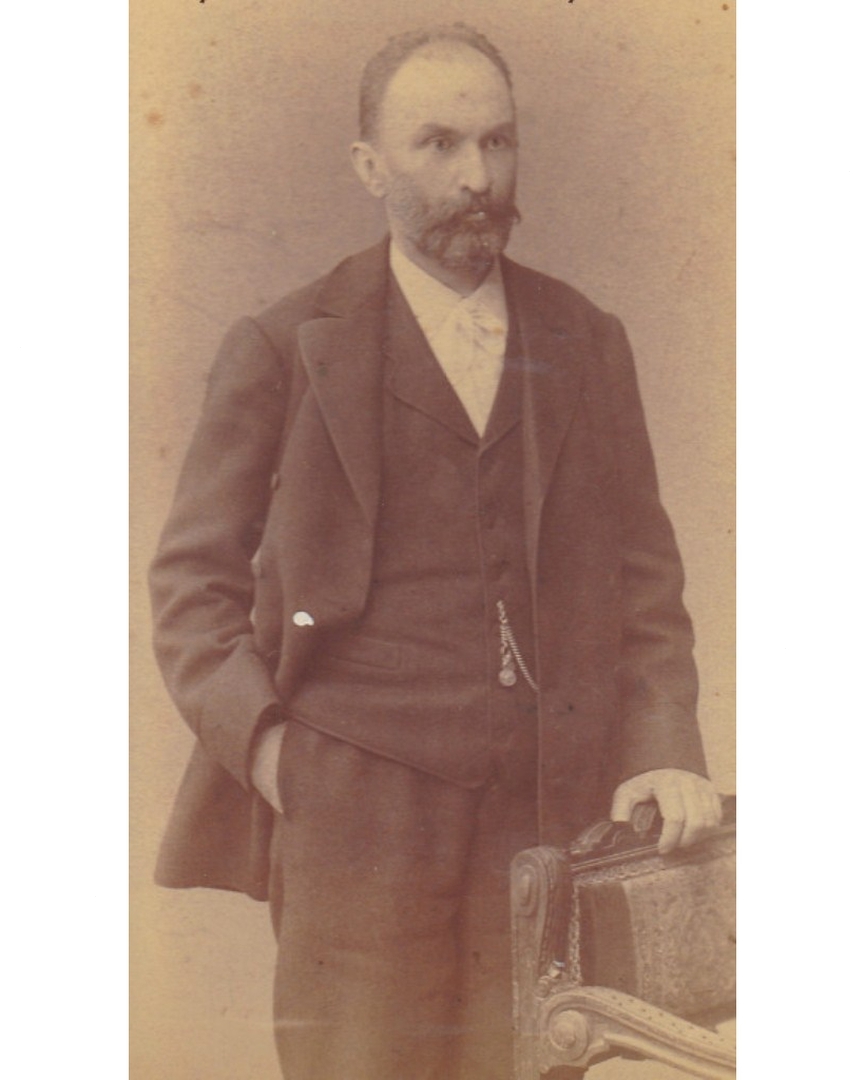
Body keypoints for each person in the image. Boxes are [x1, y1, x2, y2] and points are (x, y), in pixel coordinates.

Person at [150, 23, 722, 1080]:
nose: (477, 178)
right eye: (439, 144)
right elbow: (191, 587)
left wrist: (665, 746)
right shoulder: (281, 346)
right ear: (369, 166)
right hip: (353, 829)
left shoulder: (586, 338)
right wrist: (273, 755)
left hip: (550, 815)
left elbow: (645, 578)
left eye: (497, 143)